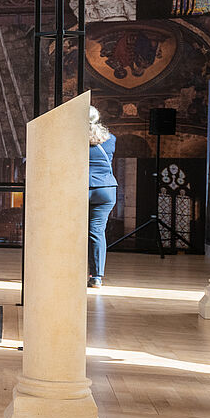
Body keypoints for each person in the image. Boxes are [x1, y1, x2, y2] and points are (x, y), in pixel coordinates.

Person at [88, 106, 117, 288]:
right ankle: (97, 277)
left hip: (83, 188)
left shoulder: (74, 139)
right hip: (106, 189)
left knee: (70, 231)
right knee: (97, 232)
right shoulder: (111, 139)